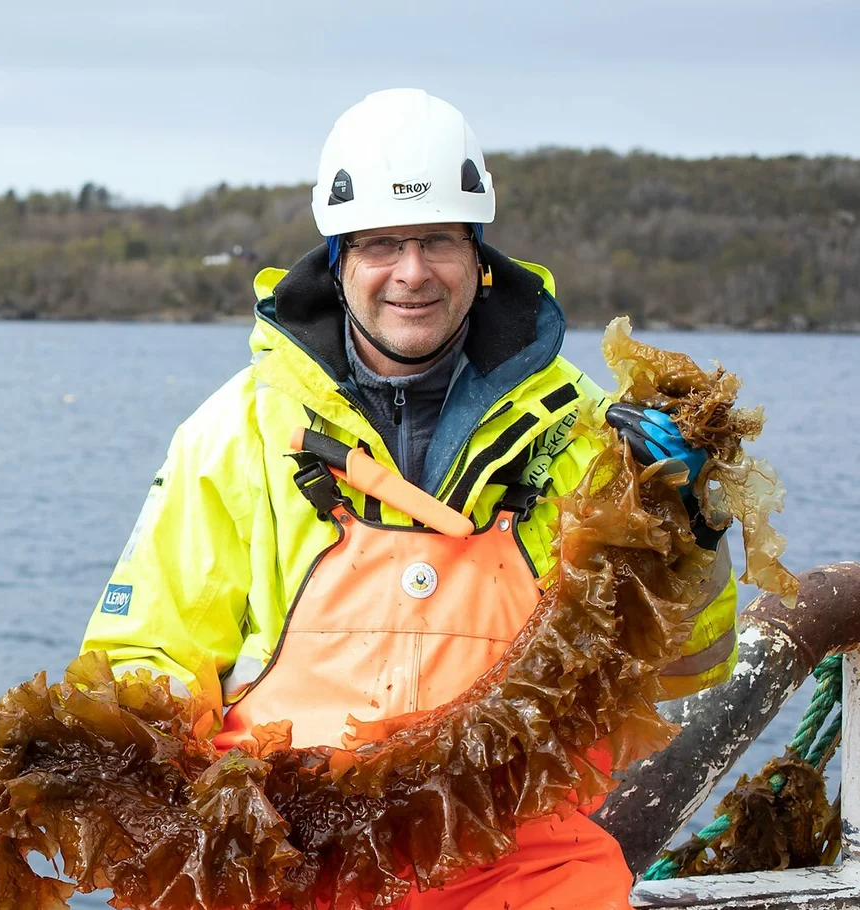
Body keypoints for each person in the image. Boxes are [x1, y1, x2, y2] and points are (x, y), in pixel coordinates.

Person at [81, 89, 737, 909]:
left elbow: (688, 668)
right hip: (284, 856)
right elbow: (144, 656)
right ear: (338, 259)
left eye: (437, 241)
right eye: (383, 244)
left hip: (523, 862)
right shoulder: (233, 435)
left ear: (479, 254)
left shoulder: (587, 439)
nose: (413, 273)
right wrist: (206, 814)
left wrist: (693, 534)